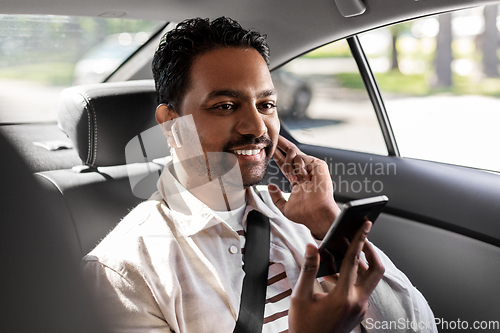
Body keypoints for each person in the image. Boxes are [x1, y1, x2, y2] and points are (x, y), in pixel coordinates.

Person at [82, 17, 437, 333]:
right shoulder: (124, 271)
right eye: (225, 106)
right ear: (172, 124)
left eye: (266, 105)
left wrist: (328, 224)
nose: (256, 126)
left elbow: (418, 327)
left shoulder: (302, 218)